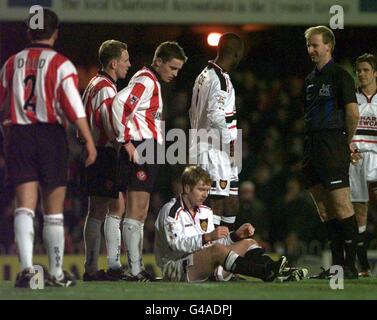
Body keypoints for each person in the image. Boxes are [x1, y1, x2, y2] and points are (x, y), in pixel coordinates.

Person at [0, 8, 97, 288]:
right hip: (50, 136)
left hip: (19, 134)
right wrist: (87, 139)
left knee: (24, 208)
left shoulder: (10, 64)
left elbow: (3, 106)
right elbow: (73, 105)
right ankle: (55, 273)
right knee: (53, 211)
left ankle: (28, 270)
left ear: (29, 32)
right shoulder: (61, 64)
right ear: (55, 34)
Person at [112, 41, 187, 281]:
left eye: (178, 70)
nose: (174, 74)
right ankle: (133, 269)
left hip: (149, 147)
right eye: (172, 68)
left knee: (141, 211)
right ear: (159, 62)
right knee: (135, 210)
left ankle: (135, 267)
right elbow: (118, 105)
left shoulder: (151, 81)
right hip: (141, 146)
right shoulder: (145, 80)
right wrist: (126, 143)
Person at [154, 166, 307, 283]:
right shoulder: (171, 211)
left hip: (202, 260)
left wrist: (236, 236)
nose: (205, 194)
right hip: (174, 268)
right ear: (187, 188)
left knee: (248, 242)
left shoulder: (205, 211)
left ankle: (276, 269)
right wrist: (208, 237)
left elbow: (213, 244)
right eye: (201, 189)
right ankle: (266, 272)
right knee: (216, 249)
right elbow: (176, 245)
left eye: (207, 190)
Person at [303, 26, 360, 279]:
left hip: (332, 144)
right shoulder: (309, 80)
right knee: (324, 209)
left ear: (329, 46)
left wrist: (346, 139)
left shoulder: (340, 76)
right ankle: (337, 266)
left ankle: (351, 266)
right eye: (308, 45)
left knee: (341, 205)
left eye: (315, 45)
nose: (311, 49)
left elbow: (353, 112)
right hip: (312, 145)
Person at [81, 40, 131, 281]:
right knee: (107, 208)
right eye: (125, 60)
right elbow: (109, 123)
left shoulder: (94, 83)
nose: (128, 65)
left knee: (102, 209)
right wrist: (125, 143)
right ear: (113, 63)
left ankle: (95, 267)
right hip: (104, 153)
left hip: (95, 152)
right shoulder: (105, 87)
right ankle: (108, 266)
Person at [189, 33, 244, 232]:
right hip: (214, 148)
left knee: (231, 200)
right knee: (216, 201)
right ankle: (213, 255)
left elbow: (192, 111)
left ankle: (224, 249)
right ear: (237, 53)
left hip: (212, 146)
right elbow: (214, 114)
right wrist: (230, 141)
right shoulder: (218, 79)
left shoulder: (203, 75)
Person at [349, 53, 377, 277]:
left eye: (366, 70)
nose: (362, 74)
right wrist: (348, 147)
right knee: (360, 212)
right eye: (359, 70)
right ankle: (363, 266)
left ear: (375, 73)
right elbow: (343, 128)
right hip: (357, 159)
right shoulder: (351, 99)